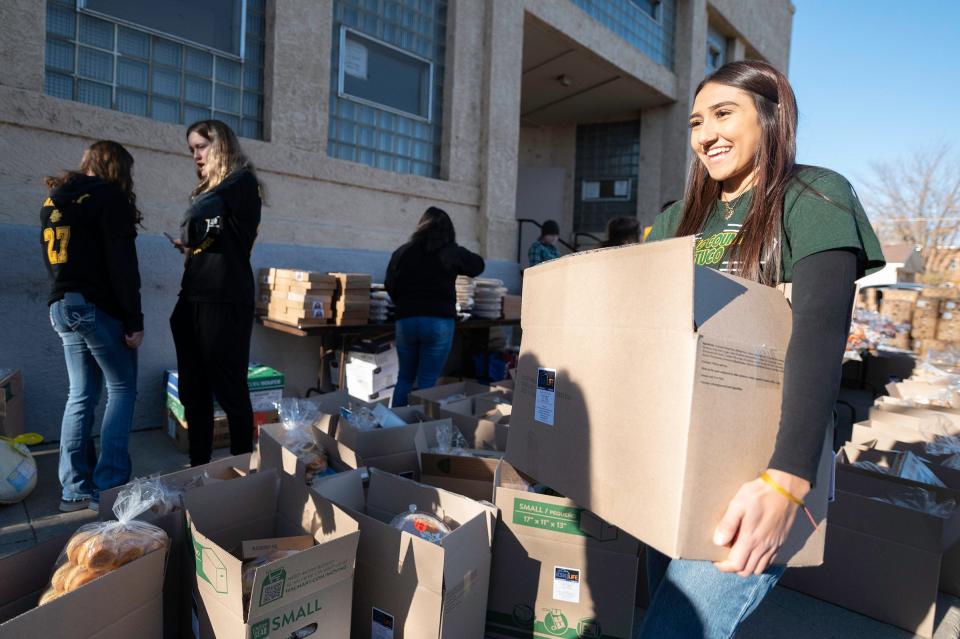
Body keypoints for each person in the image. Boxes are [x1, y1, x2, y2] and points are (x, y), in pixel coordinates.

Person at [640, 60, 884, 638]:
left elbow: (820, 338)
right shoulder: (678, 218)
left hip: (759, 469)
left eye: (725, 113)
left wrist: (787, 480)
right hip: (671, 459)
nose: (706, 134)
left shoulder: (814, 196)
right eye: (697, 121)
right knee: (669, 615)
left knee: (675, 631)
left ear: (771, 118)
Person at [42, 140, 144, 513]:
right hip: (97, 308)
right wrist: (134, 321)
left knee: (81, 394)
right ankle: (110, 488)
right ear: (117, 169)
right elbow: (123, 266)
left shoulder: (55, 199)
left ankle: (74, 491)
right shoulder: (109, 197)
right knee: (122, 389)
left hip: (62, 306)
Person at [169, 120, 261, 466]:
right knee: (194, 392)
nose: (195, 155)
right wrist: (189, 247)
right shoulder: (213, 190)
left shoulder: (241, 182)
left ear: (220, 145)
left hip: (225, 299)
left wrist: (190, 227)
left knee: (230, 389)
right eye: (191, 149)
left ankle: (242, 467)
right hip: (193, 297)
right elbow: (203, 232)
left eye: (201, 147)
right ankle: (199, 467)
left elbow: (200, 210)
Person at [385, 207, 485, 406]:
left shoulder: (402, 252)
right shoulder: (450, 252)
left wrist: (404, 303)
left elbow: (390, 284)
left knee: (404, 378)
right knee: (427, 382)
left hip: (406, 319)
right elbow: (478, 265)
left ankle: (393, 428)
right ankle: (421, 429)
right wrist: (455, 251)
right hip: (438, 321)